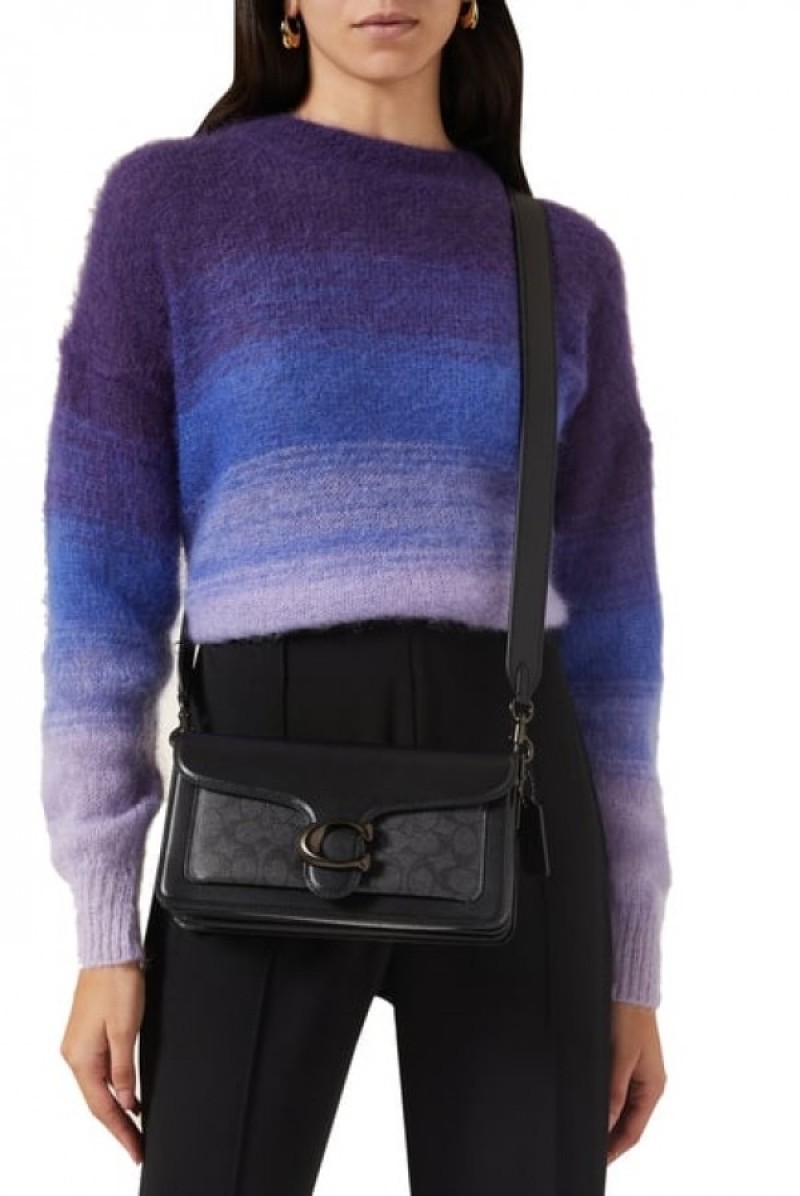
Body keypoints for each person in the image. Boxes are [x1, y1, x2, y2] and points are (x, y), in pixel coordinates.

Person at [40, 2, 672, 1192]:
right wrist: (103, 926)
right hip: (255, 784)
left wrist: (630, 957)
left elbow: (616, 632)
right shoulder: (170, 209)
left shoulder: (562, 258)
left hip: (521, 793)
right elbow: (99, 582)